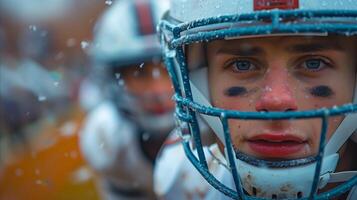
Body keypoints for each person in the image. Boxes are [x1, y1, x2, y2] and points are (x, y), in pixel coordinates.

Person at [154, 0, 357, 199]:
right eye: (242, 64)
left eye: (313, 64)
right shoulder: (184, 183)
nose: (276, 101)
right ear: (200, 84)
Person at [79, 0, 175, 199]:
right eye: (139, 74)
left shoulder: (216, 128)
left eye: (168, 68)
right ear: (115, 79)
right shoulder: (107, 138)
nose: (157, 90)